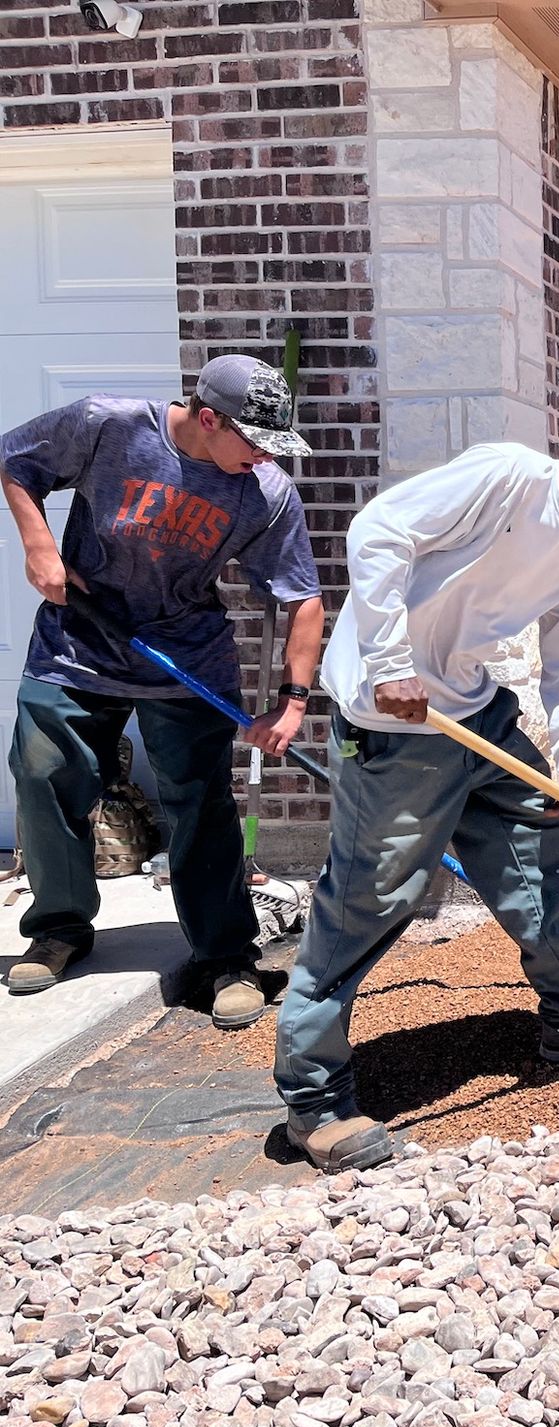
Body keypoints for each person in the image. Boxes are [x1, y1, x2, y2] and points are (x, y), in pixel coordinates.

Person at [275, 386, 559, 1173]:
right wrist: (392, 665)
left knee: (544, 835)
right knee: (372, 897)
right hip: (394, 725)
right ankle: (314, 1100)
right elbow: (377, 531)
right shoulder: (506, 476)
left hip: (474, 712)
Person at [0, 354, 324, 1027]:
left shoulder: (265, 491)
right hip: (80, 642)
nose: (265, 458)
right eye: (255, 442)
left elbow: (303, 600)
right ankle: (60, 926)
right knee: (43, 772)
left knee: (200, 803)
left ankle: (225, 956)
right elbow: (16, 461)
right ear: (209, 419)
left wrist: (292, 702)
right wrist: (39, 546)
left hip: (186, 656)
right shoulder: (106, 425)